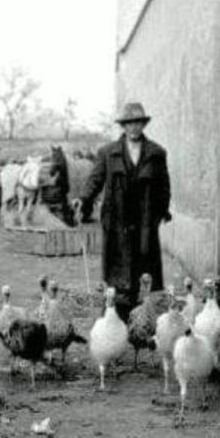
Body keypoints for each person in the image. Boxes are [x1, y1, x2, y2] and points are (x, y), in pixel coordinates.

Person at [74, 102, 171, 320]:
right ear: (123, 126)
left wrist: (161, 212)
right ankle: (114, 313)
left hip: (145, 219)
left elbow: (164, 186)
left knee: (143, 264)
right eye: (129, 123)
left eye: (137, 123)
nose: (134, 128)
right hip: (117, 218)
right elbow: (95, 180)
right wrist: (83, 199)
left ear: (143, 124)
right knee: (117, 266)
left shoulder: (156, 153)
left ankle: (142, 315)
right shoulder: (108, 153)